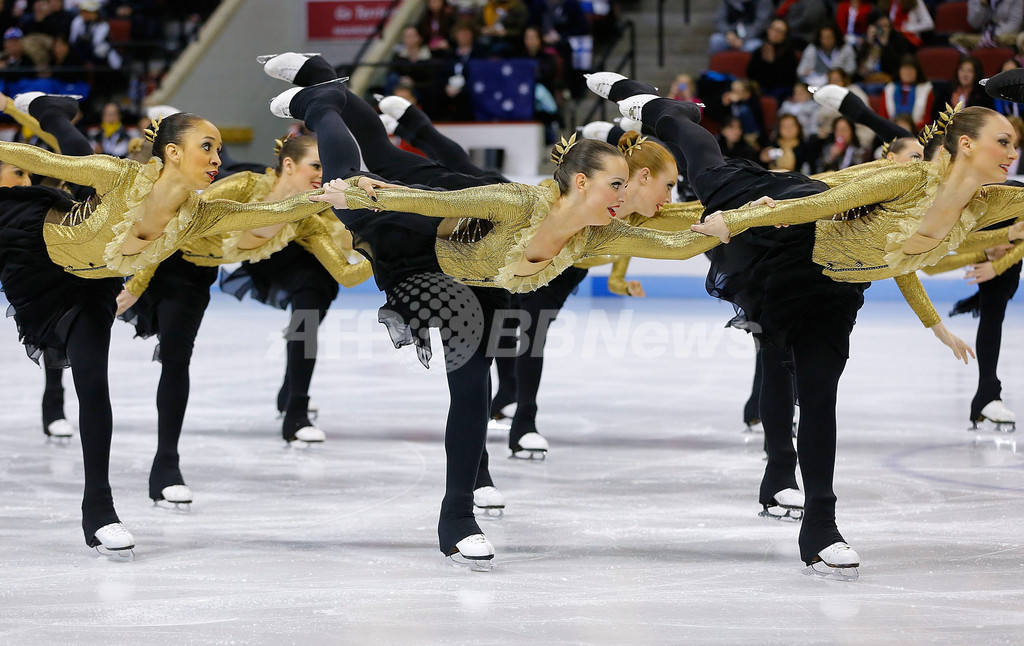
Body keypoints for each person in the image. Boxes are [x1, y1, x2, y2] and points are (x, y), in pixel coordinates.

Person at [261, 53, 718, 568]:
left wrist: (746, 218)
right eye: (617, 184)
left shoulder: (600, 231)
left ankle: (462, 506)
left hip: (482, 281)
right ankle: (321, 100)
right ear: (585, 183)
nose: (627, 194)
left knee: (473, 384)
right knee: (360, 179)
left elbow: (676, 239)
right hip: (422, 243)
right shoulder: (522, 203)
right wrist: (373, 196)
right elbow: (432, 205)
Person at [590, 71, 1022, 576]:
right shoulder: (909, 178)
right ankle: (656, 108)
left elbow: (901, 266)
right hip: (788, 233)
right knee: (707, 167)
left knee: (819, 395)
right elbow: (824, 203)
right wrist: (739, 220)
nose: (1013, 152)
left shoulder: (993, 202)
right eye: (1004, 141)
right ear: (966, 144)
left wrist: (935, 325)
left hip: (833, 293)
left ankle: (819, 529)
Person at [0, 91, 333, 555]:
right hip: (36, 254)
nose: (219, 158)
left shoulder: (201, 213)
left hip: (94, 286)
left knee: (94, 384)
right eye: (208, 147)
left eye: (219, 149)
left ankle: (98, 509)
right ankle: (48, 110)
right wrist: (136, 286)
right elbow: (22, 154)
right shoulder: (120, 172)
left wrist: (345, 194)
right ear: (172, 151)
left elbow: (266, 214)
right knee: (73, 158)